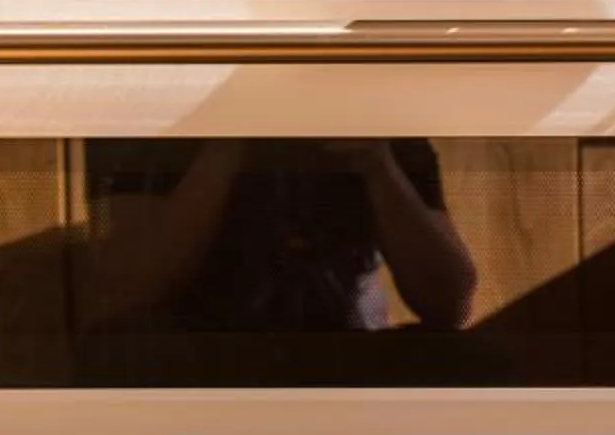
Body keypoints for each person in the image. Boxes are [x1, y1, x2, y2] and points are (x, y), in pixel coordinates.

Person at [83, 138, 478, 335]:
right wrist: (227, 145)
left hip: (347, 362)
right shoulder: (170, 135)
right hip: (200, 365)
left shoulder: (382, 129)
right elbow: (126, 289)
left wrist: (377, 164)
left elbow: (451, 301)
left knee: (477, 364)